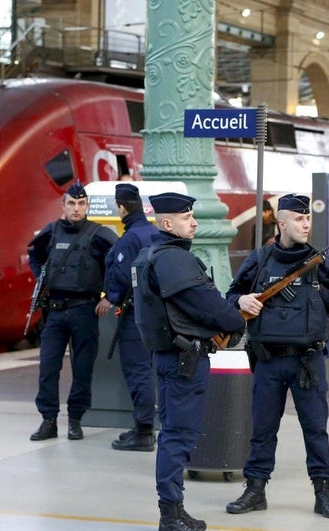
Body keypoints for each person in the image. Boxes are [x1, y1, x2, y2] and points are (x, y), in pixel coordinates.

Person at [224, 193, 329, 520]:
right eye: (298, 219)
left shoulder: (319, 261)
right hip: (268, 360)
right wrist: (242, 301)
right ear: (281, 222)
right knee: (263, 428)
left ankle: (323, 492)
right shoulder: (260, 258)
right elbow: (231, 296)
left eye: (307, 218)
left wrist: (315, 289)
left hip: (306, 361)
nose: (306, 223)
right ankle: (255, 489)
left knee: (315, 428)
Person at [132, 192, 245, 531]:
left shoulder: (147, 255)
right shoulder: (174, 259)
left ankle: (175, 509)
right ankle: (170, 514)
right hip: (186, 361)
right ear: (167, 223)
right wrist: (236, 320)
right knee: (178, 436)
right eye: (186, 217)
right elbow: (205, 303)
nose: (194, 222)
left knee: (173, 434)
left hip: (169, 358)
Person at [27, 181, 118, 441]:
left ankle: (75, 420)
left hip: (85, 310)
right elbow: (34, 256)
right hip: (54, 312)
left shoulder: (99, 234)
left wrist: (110, 296)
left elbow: (119, 262)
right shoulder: (52, 232)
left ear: (87, 206)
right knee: (48, 368)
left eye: (80, 204)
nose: (76, 208)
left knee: (82, 368)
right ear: (63, 206)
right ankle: (48, 420)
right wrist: (41, 280)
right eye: (71, 204)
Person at [103, 183, 160, 452]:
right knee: (151, 371)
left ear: (121, 207)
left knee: (138, 372)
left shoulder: (130, 238)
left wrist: (111, 296)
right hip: (155, 314)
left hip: (134, 315)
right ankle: (144, 427)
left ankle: (144, 431)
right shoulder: (154, 232)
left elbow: (123, 276)